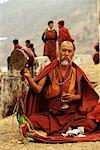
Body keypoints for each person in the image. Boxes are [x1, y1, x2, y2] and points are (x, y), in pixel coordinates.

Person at [18, 41, 100, 143]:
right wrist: (29, 77)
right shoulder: (50, 69)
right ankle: (71, 130)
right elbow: (38, 89)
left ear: (73, 54)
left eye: (69, 51)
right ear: (58, 51)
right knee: (32, 121)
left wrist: (72, 97)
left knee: (90, 124)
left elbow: (81, 95)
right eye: (63, 50)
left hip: (71, 114)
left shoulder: (76, 71)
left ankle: (64, 130)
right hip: (52, 114)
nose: (66, 54)